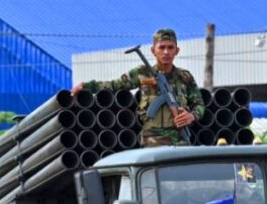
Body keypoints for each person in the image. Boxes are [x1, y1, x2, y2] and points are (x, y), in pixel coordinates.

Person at [71, 28, 204, 147]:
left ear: (177, 50)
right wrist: (86, 86)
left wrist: (191, 116)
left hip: (180, 138)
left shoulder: (185, 77)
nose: (166, 52)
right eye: (161, 47)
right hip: (152, 139)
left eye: (170, 47)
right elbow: (114, 85)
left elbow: (199, 104)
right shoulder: (141, 73)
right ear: (153, 51)